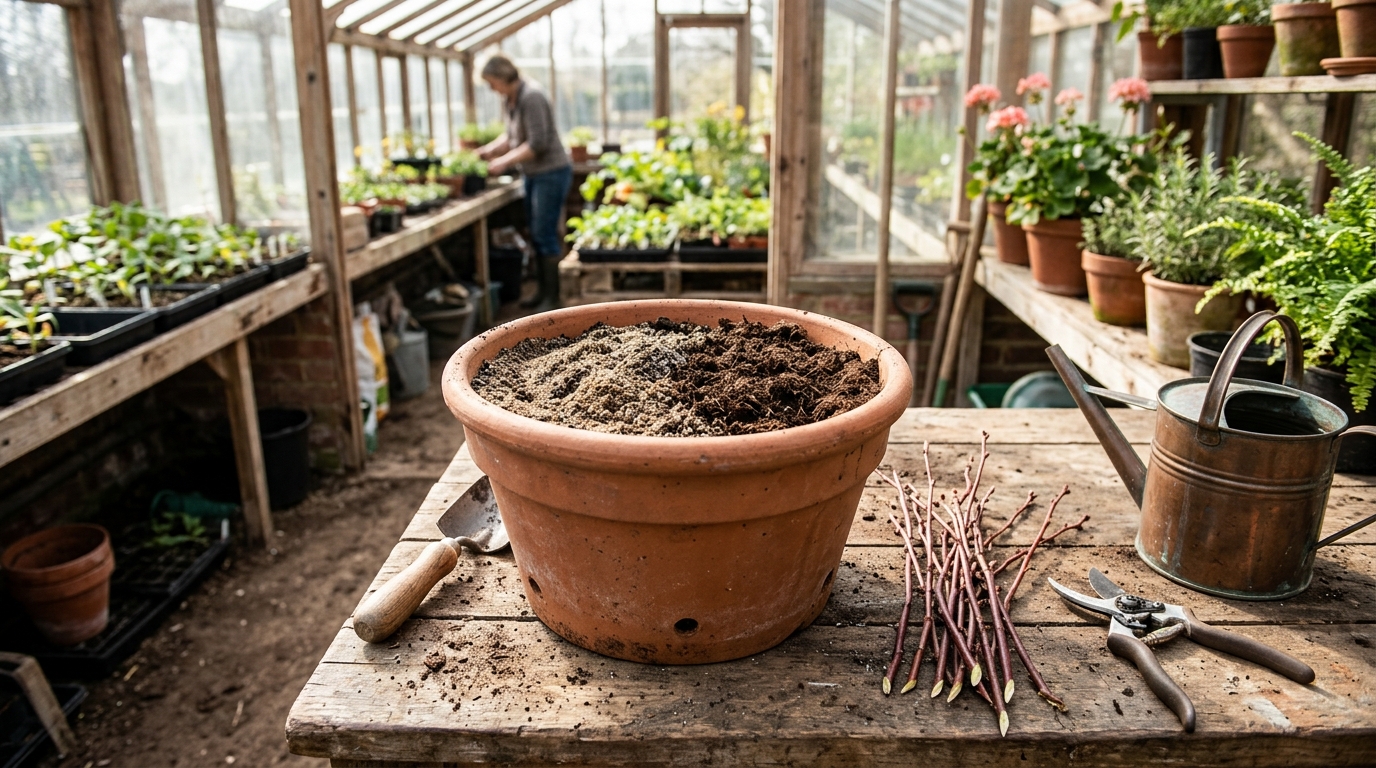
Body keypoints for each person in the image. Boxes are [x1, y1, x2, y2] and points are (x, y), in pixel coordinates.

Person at [476, 55, 571, 310]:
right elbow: (512, 136)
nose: (491, 88)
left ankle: (553, 298)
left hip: (551, 172)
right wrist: (488, 150)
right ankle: (542, 292)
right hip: (533, 174)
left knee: (545, 233)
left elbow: (537, 143)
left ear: (502, 76)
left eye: (492, 82)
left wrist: (503, 162)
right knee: (536, 233)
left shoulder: (532, 97)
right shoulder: (512, 99)